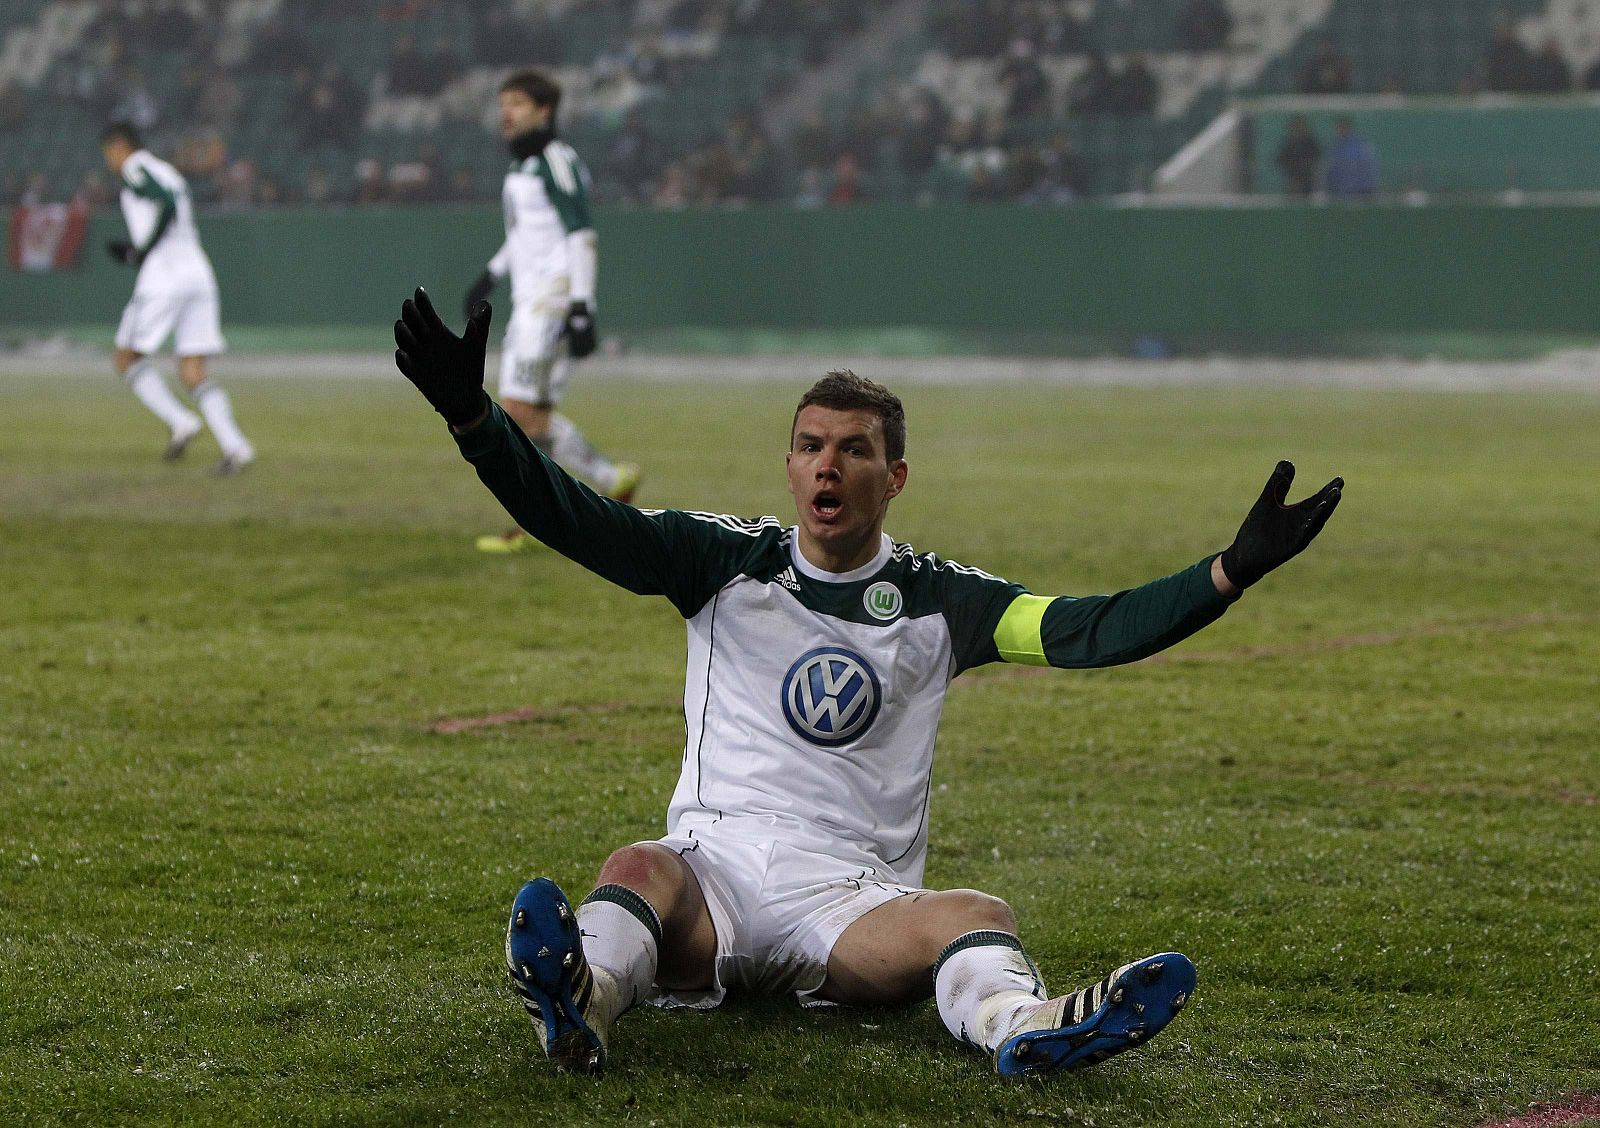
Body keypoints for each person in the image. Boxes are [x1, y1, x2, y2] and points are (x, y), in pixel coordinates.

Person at [391, 289, 1345, 1078]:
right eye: (810, 445)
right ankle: (582, 1005)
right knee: (635, 867)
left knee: (978, 917)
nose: (826, 466)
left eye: (852, 450)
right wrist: (475, 420)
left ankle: (1028, 1028)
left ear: (895, 476)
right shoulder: (717, 560)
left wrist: (1230, 570)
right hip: (711, 870)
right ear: (791, 463)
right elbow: (574, 518)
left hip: (851, 900)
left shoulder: (945, 602)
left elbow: (1088, 630)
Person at [462, 70, 640, 554]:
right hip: (530, 303)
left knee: (515, 415)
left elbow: (581, 233)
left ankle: (528, 524)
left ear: (545, 111)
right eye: (503, 103)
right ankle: (610, 475)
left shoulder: (557, 161)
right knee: (531, 416)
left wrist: (581, 306)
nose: (506, 112)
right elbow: (524, 238)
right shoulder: (522, 170)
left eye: (517, 102)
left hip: (551, 302)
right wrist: (491, 275)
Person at [99, 122, 254, 474]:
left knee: (126, 357)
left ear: (119, 146)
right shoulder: (167, 169)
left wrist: (143, 252)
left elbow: (164, 203)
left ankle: (180, 421)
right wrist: (136, 250)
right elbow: (169, 203)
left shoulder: (135, 166)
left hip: (164, 275)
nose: (110, 161)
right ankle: (236, 447)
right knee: (192, 369)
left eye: (109, 152)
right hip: (197, 271)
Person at [1324, 116, 1379, 199]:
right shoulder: (1334, 146)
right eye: (1339, 128)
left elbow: (1367, 167)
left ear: (1349, 128)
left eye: (1343, 127)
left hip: (1362, 190)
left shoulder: (1360, 144)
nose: (1341, 130)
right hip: (1340, 192)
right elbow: (1330, 169)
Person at [1275, 114, 1322, 198]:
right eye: (1296, 127)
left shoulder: (1311, 144)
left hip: (1308, 183)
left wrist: (1305, 176)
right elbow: (1280, 160)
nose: (1299, 130)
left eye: (1301, 127)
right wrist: (1293, 179)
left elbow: (1316, 160)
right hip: (1292, 181)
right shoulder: (1289, 145)